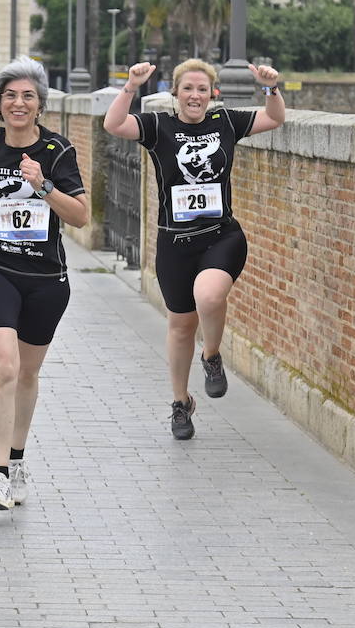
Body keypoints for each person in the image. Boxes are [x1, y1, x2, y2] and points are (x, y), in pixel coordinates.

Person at [103, 59, 285, 440]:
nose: (195, 96)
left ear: (212, 93)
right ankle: (181, 403)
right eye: (188, 89)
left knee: (209, 294)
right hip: (174, 242)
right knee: (181, 326)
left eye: (203, 89)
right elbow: (114, 124)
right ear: (176, 93)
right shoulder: (158, 127)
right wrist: (131, 85)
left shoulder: (226, 123)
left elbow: (274, 119)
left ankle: (212, 355)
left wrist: (270, 87)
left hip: (221, 235)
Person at [0, 58, 89, 511]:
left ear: (40, 105)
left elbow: (81, 216)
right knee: (4, 367)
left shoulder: (58, 151)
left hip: (47, 278)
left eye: (28, 96)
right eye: (10, 95)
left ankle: (17, 458)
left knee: (28, 372)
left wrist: (44, 185)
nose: (19, 102)